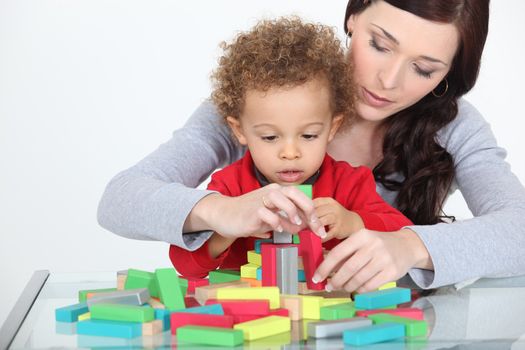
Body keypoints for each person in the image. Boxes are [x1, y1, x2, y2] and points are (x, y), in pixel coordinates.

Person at [97, 0, 525, 292]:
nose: (388, 81)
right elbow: (119, 199)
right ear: (353, 15)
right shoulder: (263, 95)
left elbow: (519, 232)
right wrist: (222, 212)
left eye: (424, 68)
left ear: (449, 75)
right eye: (379, 45)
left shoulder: (454, 126)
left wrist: (411, 246)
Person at [168, 17, 412, 279]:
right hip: (253, 315)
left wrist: (352, 221)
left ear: (332, 128)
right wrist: (227, 229)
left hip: (327, 312)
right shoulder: (230, 187)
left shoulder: (350, 183)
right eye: (270, 137)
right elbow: (184, 263)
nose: (290, 152)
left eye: (308, 135)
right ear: (240, 131)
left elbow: (403, 233)